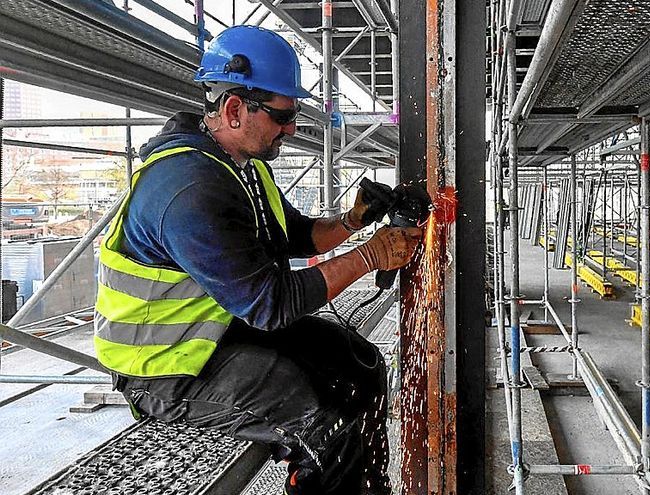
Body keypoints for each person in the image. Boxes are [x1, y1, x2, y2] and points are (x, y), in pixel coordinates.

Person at [93, 25, 422, 495]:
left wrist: (353, 220)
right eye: (282, 115)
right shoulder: (191, 190)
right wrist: (371, 255)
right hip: (161, 369)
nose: (291, 128)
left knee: (357, 361)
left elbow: (300, 237)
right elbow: (272, 306)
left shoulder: (240, 167)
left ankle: (368, 486)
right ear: (233, 110)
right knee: (321, 424)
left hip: (215, 331)